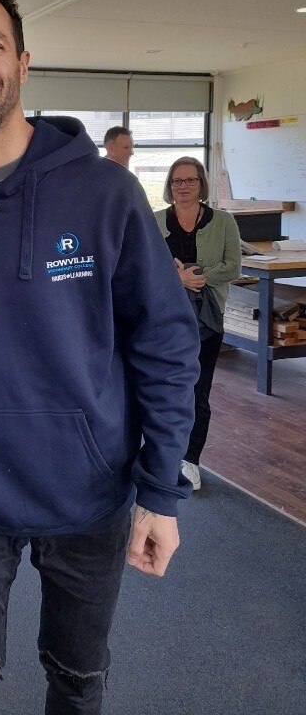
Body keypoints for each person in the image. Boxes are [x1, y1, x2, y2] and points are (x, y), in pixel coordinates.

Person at [0, 0, 200, 715]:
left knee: (78, 680)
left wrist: (161, 491)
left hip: (90, 492)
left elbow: (165, 341)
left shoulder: (104, 193)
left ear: (23, 63)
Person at [155, 156, 241, 491]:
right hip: (164, 320)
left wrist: (197, 277)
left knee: (198, 391)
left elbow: (233, 266)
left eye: (190, 180)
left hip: (206, 318)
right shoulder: (155, 220)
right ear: (170, 186)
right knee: (163, 387)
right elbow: (142, 265)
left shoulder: (223, 222)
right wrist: (177, 280)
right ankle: (161, 454)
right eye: (177, 181)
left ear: (201, 184)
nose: (183, 187)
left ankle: (190, 459)